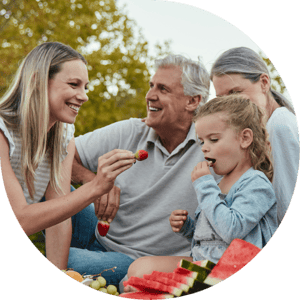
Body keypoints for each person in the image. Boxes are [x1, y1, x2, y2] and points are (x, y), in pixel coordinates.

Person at [71, 54, 222, 284]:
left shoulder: (213, 148)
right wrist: (93, 183)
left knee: (67, 260)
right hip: (99, 229)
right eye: (151, 86)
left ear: (193, 101)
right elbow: (61, 154)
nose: (150, 96)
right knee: (41, 180)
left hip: (135, 260)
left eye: (162, 89)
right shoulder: (131, 130)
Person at [0, 42, 135, 279]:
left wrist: (60, 275)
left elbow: (60, 218)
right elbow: (18, 221)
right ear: (37, 81)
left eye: (85, 87)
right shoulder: (2, 131)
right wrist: (95, 187)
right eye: (73, 85)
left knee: (125, 264)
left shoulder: (62, 134)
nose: (83, 96)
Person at [125, 95, 278, 282]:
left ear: (245, 138)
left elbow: (232, 230)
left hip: (230, 270)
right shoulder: (218, 183)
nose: (204, 148)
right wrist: (188, 228)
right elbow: (211, 237)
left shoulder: (256, 183)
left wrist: (205, 186)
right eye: (201, 142)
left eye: (213, 139)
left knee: (139, 274)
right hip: (205, 262)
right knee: (133, 273)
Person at [210, 47, 299, 224]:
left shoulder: (279, 125)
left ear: (264, 83)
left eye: (235, 93)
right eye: (221, 98)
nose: (228, 104)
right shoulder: (253, 132)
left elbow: (287, 203)